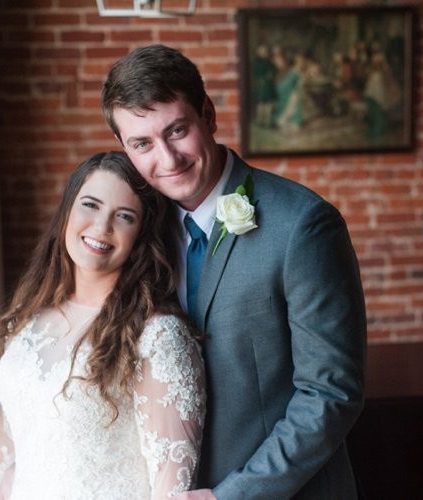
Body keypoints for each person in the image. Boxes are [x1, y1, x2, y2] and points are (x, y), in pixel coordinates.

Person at [101, 44, 367, 499]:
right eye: (142, 144)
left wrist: (233, 496)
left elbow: (331, 394)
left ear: (208, 114)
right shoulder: (138, 229)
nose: (167, 159)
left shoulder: (302, 224)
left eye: (177, 130)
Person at [0, 152, 206, 498]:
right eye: (90, 205)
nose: (102, 227)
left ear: (142, 236)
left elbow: (171, 489)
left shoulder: (157, 336)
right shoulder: (28, 319)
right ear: (67, 211)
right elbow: (0, 465)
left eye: (125, 216)